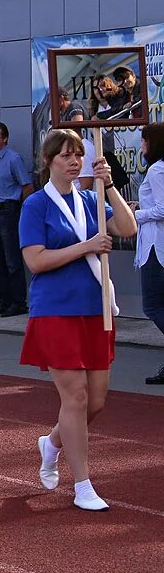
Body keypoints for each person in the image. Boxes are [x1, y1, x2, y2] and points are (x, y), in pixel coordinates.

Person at [19, 129, 135, 511]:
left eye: (78, 155)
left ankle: (52, 443)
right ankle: (83, 483)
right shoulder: (36, 205)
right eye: (65, 155)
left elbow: (127, 228)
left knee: (96, 402)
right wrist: (86, 246)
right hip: (55, 310)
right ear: (48, 160)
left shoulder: (91, 199)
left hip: (95, 308)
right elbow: (35, 260)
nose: (73, 161)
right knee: (76, 396)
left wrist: (110, 185)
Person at [0, 122, 34, 316]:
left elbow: (27, 187)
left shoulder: (13, 159)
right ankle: (4, 301)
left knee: (11, 260)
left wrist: (20, 210)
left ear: (4, 138)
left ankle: (18, 302)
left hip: (8, 211)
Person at [133, 124, 164, 385]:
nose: (142, 146)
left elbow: (163, 208)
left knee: (152, 305)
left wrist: (137, 215)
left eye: (144, 141)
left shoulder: (157, 169)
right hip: (156, 243)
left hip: (156, 247)